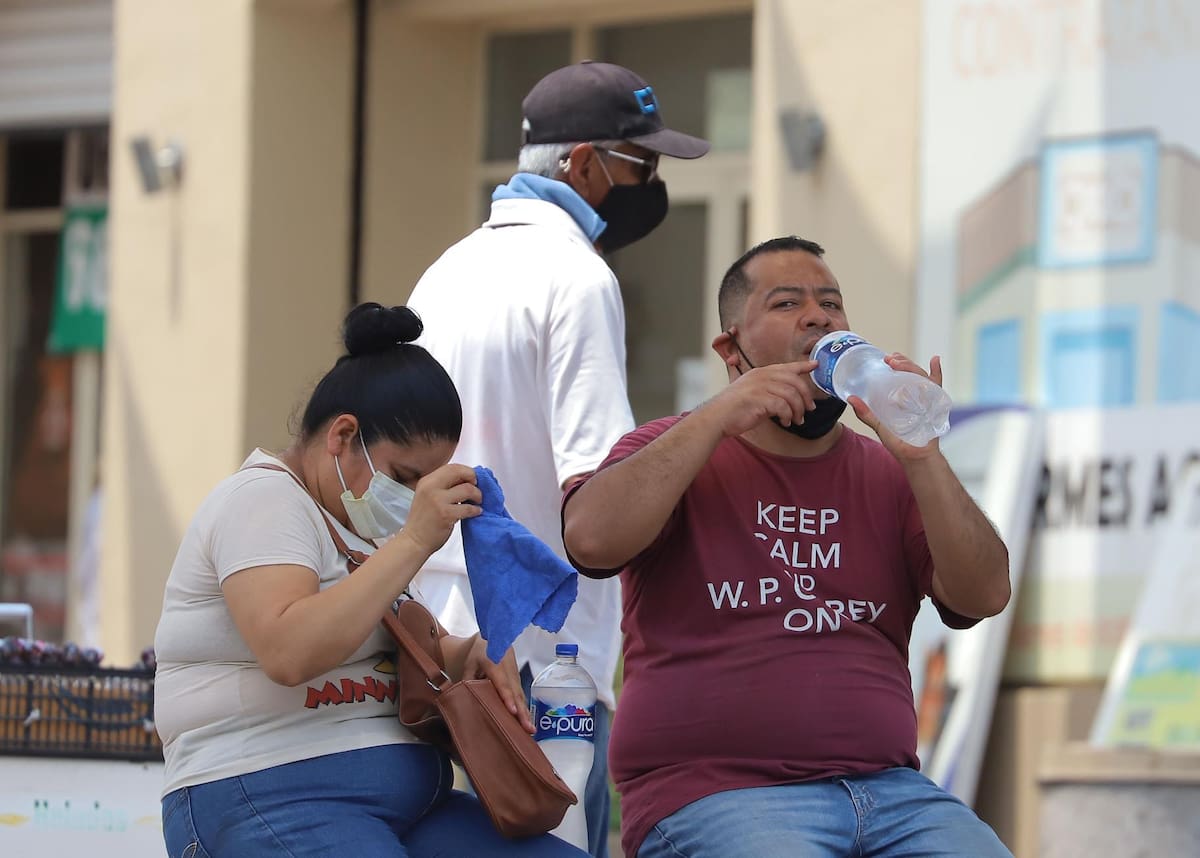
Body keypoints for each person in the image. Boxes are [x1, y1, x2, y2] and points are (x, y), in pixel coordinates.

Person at [561, 236, 1014, 858]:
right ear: (732, 350)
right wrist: (719, 416)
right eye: (787, 304)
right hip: (713, 796)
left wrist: (924, 455)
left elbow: (986, 594)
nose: (819, 317)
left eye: (831, 302)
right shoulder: (672, 449)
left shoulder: (891, 473)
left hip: (891, 793)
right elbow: (589, 541)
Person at [407, 60, 709, 857]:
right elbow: (598, 487)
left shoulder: (445, 271)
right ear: (582, 163)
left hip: (436, 632)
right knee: (559, 845)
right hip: (546, 654)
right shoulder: (577, 277)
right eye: (640, 163)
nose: (649, 183)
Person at [153, 303, 586, 858]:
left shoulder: (356, 530)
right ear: (342, 435)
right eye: (404, 476)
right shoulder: (262, 500)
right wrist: (411, 543)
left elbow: (382, 650)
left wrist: (464, 654)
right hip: (268, 793)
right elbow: (289, 650)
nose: (412, 498)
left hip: (405, 806)